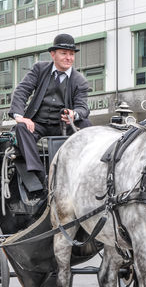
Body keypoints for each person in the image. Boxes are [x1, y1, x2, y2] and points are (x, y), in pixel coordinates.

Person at [8, 33, 92, 186]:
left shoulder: (80, 80)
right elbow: (22, 91)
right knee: (21, 128)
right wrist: (20, 116)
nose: (68, 58)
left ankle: (87, 171)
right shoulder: (40, 69)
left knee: (86, 125)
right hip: (37, 124)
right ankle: (41, 176)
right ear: (53, 54)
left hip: (63, 127)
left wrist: (74, 114)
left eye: (71, 54)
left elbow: (83, 107)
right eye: (64, 53)